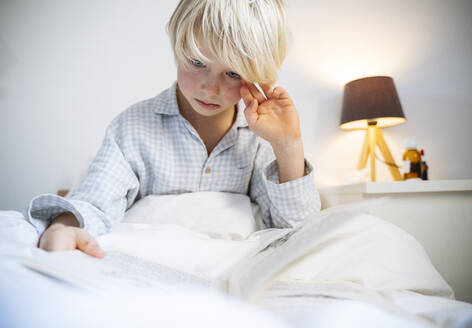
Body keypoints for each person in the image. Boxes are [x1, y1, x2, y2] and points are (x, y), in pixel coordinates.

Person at [27, 0, 321, 259]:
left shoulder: (259, 140)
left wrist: (288, 145)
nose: (210, 87)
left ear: (257, 76)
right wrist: (64, 226)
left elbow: (294, 232)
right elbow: (95, 203)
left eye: (233, 73)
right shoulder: (132, 128)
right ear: (178, 47)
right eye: (197, 63)